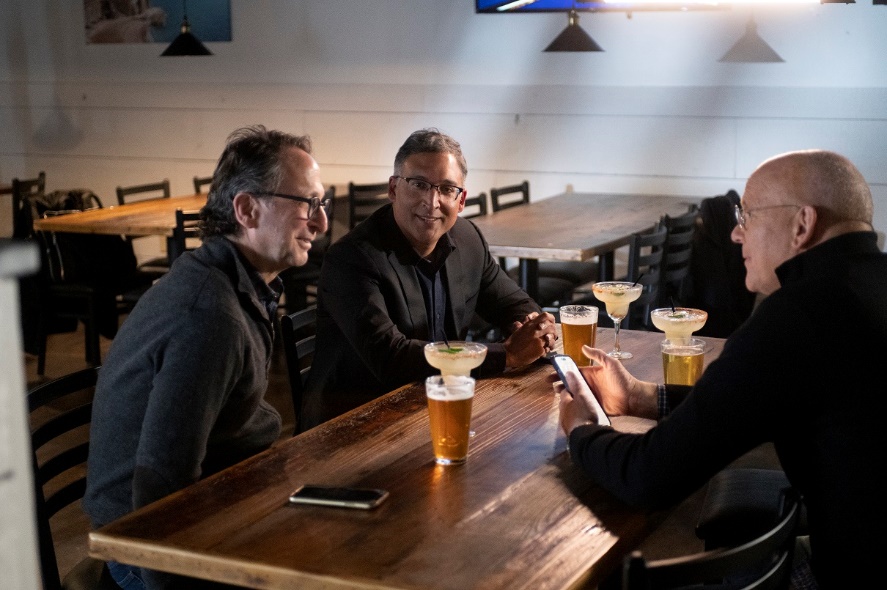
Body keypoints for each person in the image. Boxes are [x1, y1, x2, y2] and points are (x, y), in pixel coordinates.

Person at [556, 149, 885, 589]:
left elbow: (648, 476)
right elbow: (753, 399)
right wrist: (641, 397)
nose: (734, 234)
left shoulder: (796, 317)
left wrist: (581, 430)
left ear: (802, 224)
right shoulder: (865, 288)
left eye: (747, 216)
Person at [84, 125, 329, 589]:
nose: (320, 223)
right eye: (306, 204)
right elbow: (159, 483)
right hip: (147, 553)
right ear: (246, 209)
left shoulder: (234, 282)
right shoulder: (211, 315)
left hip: (209, 504)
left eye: (322, 203)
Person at [302, 128, 557, 429]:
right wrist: (509, 355)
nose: (432, 201)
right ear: (394, 189)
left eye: (447, 189)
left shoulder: (468, 238)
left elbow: (512, 302)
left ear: (461, 201)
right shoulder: (351, 258)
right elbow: (391, 358)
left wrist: (535, 328)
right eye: (419, 184)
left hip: (434, 406)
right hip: (354, 426)